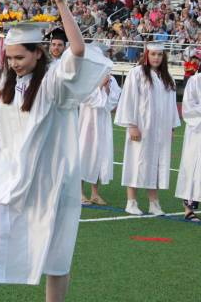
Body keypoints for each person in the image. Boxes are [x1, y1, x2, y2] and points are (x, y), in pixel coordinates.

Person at [0, 0, 111, 301]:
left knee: (56, 256)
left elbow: (78, 50)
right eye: (11, 57)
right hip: (10, 177)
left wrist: (61, 4)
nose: (13, 63)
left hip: (49, 178)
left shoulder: (54, 83)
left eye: (20, 58)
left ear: (38, 53)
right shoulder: (5, 77)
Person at [115, 42, 180, 216]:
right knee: (137, 161)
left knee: (157, 163)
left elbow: (171, 105)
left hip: (161, 130)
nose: (156, 58)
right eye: (153, 54)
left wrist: (172, 128)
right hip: (141, 128)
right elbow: (128, 99)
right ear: (147, 55)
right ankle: (131, 201)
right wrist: (132, 125)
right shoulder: (136, 74)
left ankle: (154, 203)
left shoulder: (168, 78)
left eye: (159, 55)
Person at [78, 51, 121, 206]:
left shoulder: (111, 79)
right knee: (84, 154)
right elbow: (87, 98)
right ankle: (80, 192)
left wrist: (108, 89)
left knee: (100, 154)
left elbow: (112, 102)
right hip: (87, 122)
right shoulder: (86, 78)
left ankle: (95, 193)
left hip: (102, 122)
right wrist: (100, 87)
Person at [175, 66, 201, 222]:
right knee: (193, 166)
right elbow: (188, 108)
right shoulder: (195, 81)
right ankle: (188, 208)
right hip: (197, 132)